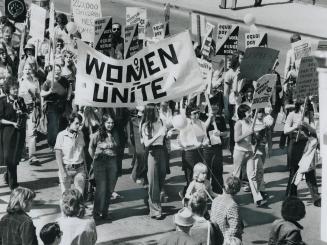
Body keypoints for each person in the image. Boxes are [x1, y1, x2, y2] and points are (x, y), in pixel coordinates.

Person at [284, 100, 321, 206]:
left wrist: (306, 125)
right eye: (302, 106)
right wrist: (296, 127)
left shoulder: (309, 115)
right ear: (298, 106)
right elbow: (285, 130)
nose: (304, 108)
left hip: (307, 144)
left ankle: (316, 198)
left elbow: (315, 131)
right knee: (294, 171)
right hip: (295, 144)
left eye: (306, 105)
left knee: (309, 172)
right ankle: (291, 196)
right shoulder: (292, 114)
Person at [233, 104, 267, 206]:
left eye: (250, 111)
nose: (250, 113)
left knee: (252, 174)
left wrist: (258, 134)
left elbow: (252, 138)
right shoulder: (238, 123)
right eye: (248, 111)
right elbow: (236, 139)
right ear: (243, 113)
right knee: (236, 175)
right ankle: (232, 196)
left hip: (250, 151)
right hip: (239, 151)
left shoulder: (251, 122)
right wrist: (248, 133)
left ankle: (257, 198)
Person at [89, 113, 119, 220]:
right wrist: (94, 159)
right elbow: (90, 148)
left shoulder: (114, 133)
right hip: (100, 162)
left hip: (112, 161)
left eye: (112, 123)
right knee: (101, 188)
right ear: (103, 123)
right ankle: (96, 212)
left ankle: (105, 211)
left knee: (110, 188)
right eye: (108, 122)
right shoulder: (97, 134)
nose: (110, 125)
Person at [0, 77, 28, 189]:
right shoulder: (2, 101)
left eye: (17, 88)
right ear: (8, 89)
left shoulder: (20, 100)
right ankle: (13, 183)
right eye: (13, 89)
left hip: (19, 132)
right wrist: (12, 123)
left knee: (14, 157)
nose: (16, 91)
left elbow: (26, 112)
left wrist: (24, 114)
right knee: (8, 157)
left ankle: (11, 179)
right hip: (7, 132)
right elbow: (0, 119)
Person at [141, 104, 168, 219]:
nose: (158, 112)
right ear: (151, 112)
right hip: (152, 153)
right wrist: (158, 134)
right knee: (153, 181)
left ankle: (153, 202)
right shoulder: (146, 126)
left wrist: (167, 134)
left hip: (162, 151)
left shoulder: (161, 121)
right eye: (156, 110)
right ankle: (155, 210)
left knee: (161, 178)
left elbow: (164, 135)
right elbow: (146, 143)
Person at [179, 105, 211, 197]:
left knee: (200, 177)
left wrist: (206, 142)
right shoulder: (185, 125)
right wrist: (193, 145)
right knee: (190, 177)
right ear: (189, 115)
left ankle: (197, 197)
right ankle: (187, 196)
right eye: (194, 113)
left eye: (198, 113)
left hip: (200, 152)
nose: (197, 115)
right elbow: (182, 142)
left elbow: (205, 138)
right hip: (189, 153)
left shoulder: (201, 123)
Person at [54, 112, 86, 195]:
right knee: (66, 196)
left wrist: (85, 168)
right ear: (69, 122)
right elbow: (58, 154)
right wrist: (62, 171)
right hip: (66, 168)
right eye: (76, 123)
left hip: (80, 168)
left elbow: (82, 152)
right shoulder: (61, 135)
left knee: (79, 195)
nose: (79, 126)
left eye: (80, 124)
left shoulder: (81, 134)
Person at [41, 64, 70, 150]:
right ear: (52, 71)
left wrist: (68, 96)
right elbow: (41, 93)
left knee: (63, 124)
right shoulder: (48, 82)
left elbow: (69, 86)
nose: (57, 72)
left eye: (58, 70)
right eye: (55, 70)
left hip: (63, 105)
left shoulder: (64, 80)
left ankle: (61, 143)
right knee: (53, 125)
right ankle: (52, 144)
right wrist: (49, 92)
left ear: (61, 71)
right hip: (52, 105)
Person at [19, 62, 41, 165]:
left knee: (32, 132)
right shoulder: (19, 81)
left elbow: (38, 95)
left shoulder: (35, 82)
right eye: (26, 69)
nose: (27, 71)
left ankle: (32, 156)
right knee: (21, 131)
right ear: (23, 70)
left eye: (29, 69)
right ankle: (22, 153)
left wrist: (39, 108)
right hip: (21, 109)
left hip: (32, 109)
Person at [211, 176, 243, 243]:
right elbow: (234, 228)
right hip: (225, 239)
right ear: (237, 190)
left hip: (215, 236)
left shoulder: (216, 199)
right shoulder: (232, 205)